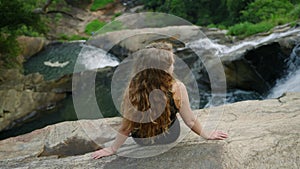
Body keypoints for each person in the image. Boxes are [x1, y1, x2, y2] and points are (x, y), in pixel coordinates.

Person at [91, 42, 228, 159]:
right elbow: (190, 120)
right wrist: (206, 134)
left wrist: (113, 149)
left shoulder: (133, 89)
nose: (173, 66)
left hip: (142, 140)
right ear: (164, 69)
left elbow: (126, 127)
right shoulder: (177, 88)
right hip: (169, 136)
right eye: (172, 63)